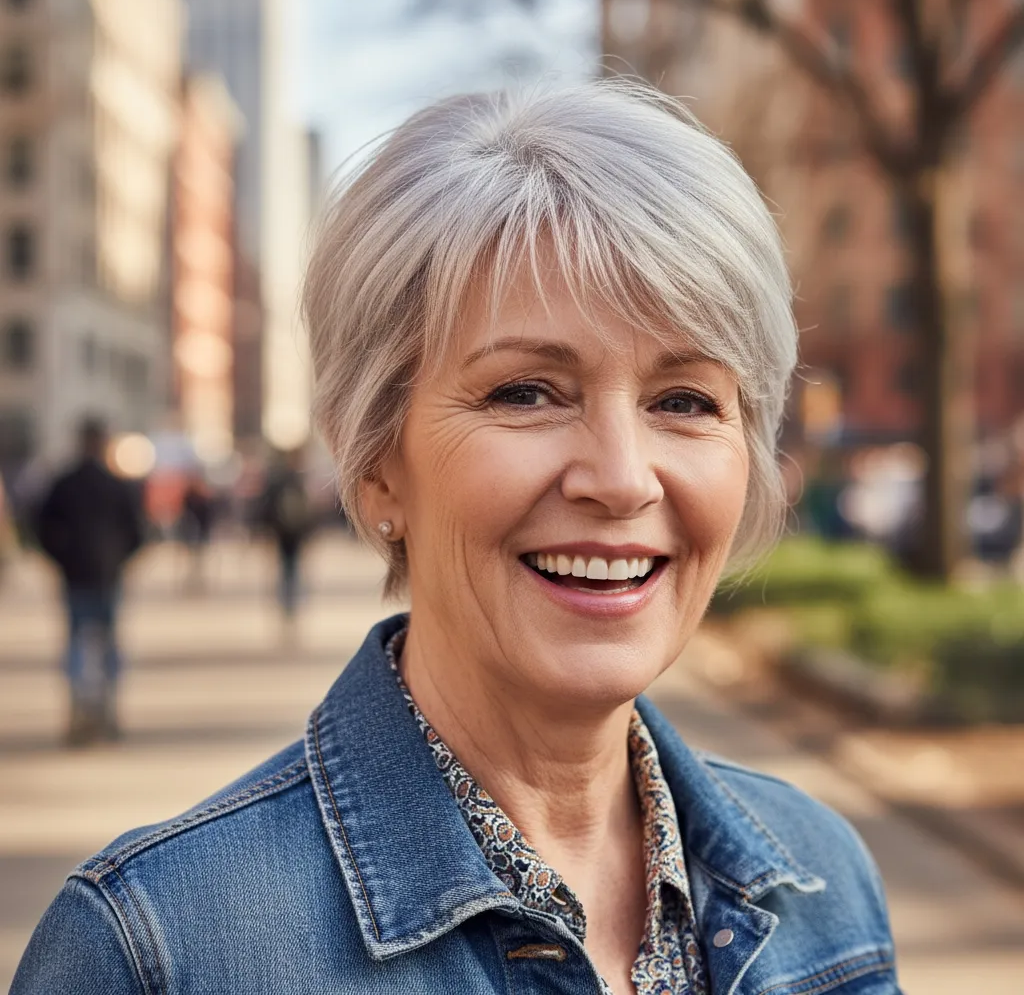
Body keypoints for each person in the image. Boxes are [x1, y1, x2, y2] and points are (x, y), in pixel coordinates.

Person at [14, 83, 902, 993]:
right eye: (526, 393)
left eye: (684, 401)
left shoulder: (822, 882)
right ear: (375, 461)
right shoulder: (160, 950)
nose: (622, 477)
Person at [32, 417, 144, 745]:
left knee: (81, 644)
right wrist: (116, 559)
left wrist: (63, 558)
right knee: (104, 644)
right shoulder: (113, 484)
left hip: (81, 574)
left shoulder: (65, 483)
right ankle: (103, 711)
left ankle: (84, 710)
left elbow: (41, 529)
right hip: (102, 575)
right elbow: (137, 533)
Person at [259, 446, 312, 619]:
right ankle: (290, 600)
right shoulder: (297, 481)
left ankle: (287, 600)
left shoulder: (278, 480)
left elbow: (266, 508)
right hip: (291, 532)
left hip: (284, 532)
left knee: (286, 566)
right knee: (291, 566)